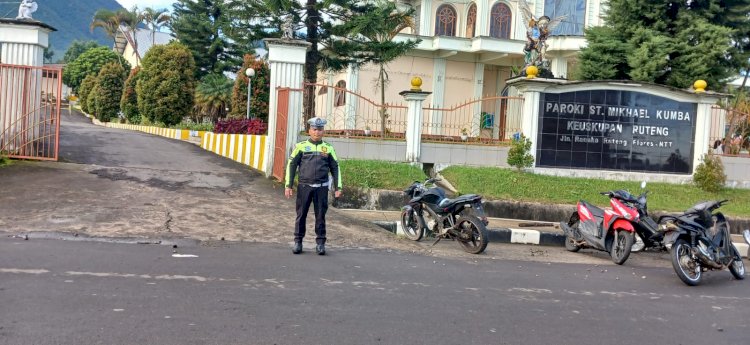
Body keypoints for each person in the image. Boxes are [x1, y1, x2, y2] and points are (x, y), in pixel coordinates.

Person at [284, 117, 342, 255]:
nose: (317, 132)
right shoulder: (301, 146)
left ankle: (320, 244)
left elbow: (335, 168)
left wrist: (338, 187)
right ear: (309, 130)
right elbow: (291, 165)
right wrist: (288, 185)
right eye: (315, 129)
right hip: (304, 187)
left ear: (323, 131)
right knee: (301, 215)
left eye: (320, 129)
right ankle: (298, 242)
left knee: (320, 216)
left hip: (321, 188)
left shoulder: (328, 148)